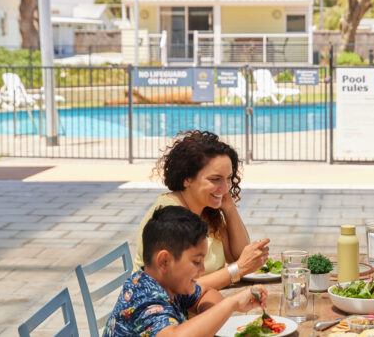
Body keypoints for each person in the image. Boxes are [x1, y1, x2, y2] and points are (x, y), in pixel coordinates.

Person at [103, 206, 268, 337]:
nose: (202, 269)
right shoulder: (144, 299)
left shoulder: (168, 283)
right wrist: (231, 304)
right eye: (196, 262)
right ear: (164, 261)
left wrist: (205, 321)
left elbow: (206, 293)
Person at [134, 130, 269, 290]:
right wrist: (238, 269)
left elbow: (239, 256)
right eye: (215, 179)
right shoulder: (170, 219)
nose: (225, 188)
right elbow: (180, 290)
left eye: (228, 178)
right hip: (161, 310)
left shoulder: (206, 209)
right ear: (187, 178)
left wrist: (229, 208)